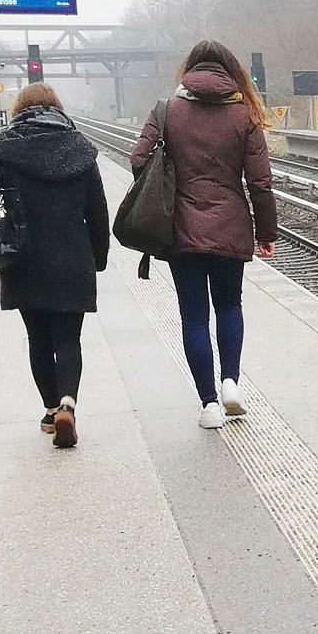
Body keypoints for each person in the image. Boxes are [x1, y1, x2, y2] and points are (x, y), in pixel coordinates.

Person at [132, 40, 278, 429]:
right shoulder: (244, 115)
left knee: (194, 317)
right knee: (229, 306)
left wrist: (167, 186)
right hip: (231, 226)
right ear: (231, 72)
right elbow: (261, 183)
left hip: (182, 228)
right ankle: (231, 382)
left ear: (190, 70)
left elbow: (138, 159)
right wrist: (266, 232)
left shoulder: (168, 111)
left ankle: (209, 405)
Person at [0, 84, 109, 448]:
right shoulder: (80, 149)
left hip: (22, 257)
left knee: (38, 338)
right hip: (72, 256)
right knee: (68, 338)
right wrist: (98, 256)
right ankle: (68, 404)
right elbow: (97, 212)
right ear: (58, 108)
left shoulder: (2, 151)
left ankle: (50, 410)